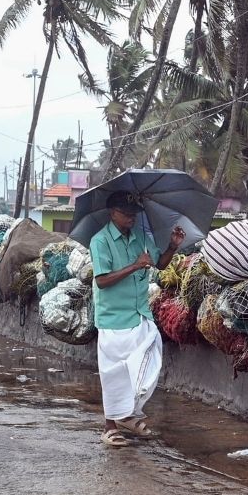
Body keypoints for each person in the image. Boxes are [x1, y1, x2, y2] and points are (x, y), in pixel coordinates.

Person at [89, 190, 185, 447]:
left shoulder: (141, 237)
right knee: (113, 373)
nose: (131, 218)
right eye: (126, 213)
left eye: (134, 214)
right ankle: (110, 426)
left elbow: (160, 265)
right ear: (113, 214)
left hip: (139, 313)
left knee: (147, 359)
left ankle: (127, 415)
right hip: (113, 317)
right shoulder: (100, 242)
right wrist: (133, 265)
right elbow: (102, 280)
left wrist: (173, 246)